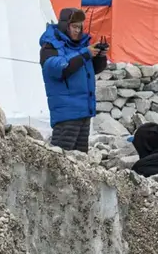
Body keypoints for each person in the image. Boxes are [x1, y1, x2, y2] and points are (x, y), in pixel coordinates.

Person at [39, 8, 107, 152]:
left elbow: (91, 70)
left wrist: (100, 56)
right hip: (66, 114)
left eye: (80, 26)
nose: (78, 30)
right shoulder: (50, 46)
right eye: (74, 26)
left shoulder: (81, 45)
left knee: (79, 162)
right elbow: (60, 69)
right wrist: (85, 54)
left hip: (84, 112)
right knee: (61, 159)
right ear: (65, 25)